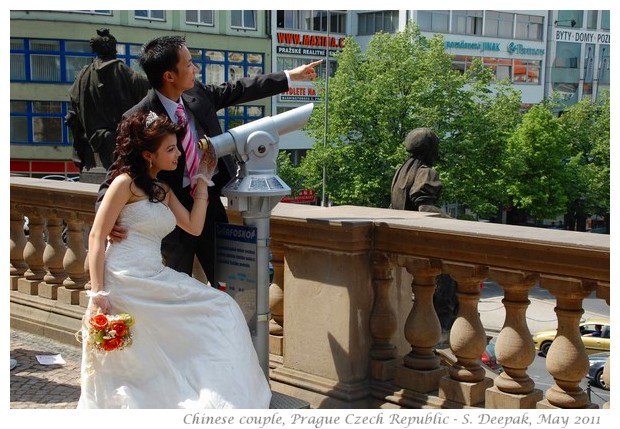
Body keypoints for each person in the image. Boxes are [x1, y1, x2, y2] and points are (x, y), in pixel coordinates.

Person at [78, 111, 271, 408]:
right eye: (170, 149)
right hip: (124, 279)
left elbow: (193, 226)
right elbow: (96, 236)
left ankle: (216, 392)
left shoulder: (163, 190)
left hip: (154, 275)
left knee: (222, 306)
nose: (178, 153)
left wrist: (203, 183)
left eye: (176, 147)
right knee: (136, 355)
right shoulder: (124, 184)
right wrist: (99, 292)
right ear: (147, 155)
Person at [98, 35, 322, 285]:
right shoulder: (138, 118)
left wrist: (290, 76)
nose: (196, 69)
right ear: (169, 76)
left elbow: (239, 89)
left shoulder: (198, 94)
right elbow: (117, 172)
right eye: (189, 64)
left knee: (231, 284)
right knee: (175, 290)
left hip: (211, 207)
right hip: (170, 216)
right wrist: (106, 219)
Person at [390, 128, 456, 342]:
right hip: (419, 246)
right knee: (449, 278)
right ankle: (444, 327)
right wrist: (450, 222)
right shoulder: (425, 172)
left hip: (402, 239)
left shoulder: (402, 170)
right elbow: (424, 207)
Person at [67, 28, 150, 172]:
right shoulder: (121, 70)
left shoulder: (83, 74)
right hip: (119, 143)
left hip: (92, 145)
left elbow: (73, 106)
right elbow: (145, 88)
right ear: (113, 49)